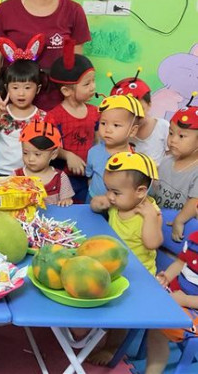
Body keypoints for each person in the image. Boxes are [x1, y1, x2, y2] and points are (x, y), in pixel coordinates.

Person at [89, 151, 162, 365]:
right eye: (108, 189)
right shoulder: (118, 203)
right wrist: (99, 203)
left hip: (139, 275)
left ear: (140, 192)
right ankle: (92, 328)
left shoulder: (151, 212)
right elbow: (95, 204)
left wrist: (150, 218)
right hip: (114, 266)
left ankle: (112, 347)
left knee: (120, 313)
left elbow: (152, 243)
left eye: (116, 192)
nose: (110, 196)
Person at [0, 34, 46, 176]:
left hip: (26, 174)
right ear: (7, 88)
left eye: (27, 88)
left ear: (37, 89)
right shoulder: (2, 112)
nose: (21, 93)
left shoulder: (42, 117)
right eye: (15, 87)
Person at [45, 40, 98, 202]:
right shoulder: (54, 117)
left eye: (93, 81)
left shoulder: (95, 112)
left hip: (89, 177)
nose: (93, 87)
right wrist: (68, 155)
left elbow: (97, 141)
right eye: (87, 83)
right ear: (66, 91)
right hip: (64, 179)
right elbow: (49, 147)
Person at [148, 217, 198, 374]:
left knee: (158, 330)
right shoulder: (194, 238)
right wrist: (167, 277)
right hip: (177, 295)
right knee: (143, 302)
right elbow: (181, 263)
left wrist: (185, 300)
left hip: (192, 309)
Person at [154, 101, 198, 242]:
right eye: (171, 133)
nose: (172, 140)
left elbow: (195, 201)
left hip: (180, 228)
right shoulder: (167, 160)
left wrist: (180, 220)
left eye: (181, 136)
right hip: (157, 222)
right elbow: (155, 187)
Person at [86, 94, 143, 201]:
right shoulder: (93, 152)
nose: (107, 130)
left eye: (116, 125)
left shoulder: (135, 160)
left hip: (119, 205)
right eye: (103, 123)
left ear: (132, 131)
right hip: (92, 199)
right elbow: (89, 175)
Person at [108, 70, 169, 165]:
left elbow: (171, 159)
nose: (135, 115)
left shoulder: (163, 127)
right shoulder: (119, 132)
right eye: (129, 112)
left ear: (149, 105)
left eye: (140, 109)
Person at [15, 120, 74, 206]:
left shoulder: (60, 178)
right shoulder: (16, 176)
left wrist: (66, 201)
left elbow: (67, 200)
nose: (30, 159)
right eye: (25, 153)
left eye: (37, 154)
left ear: (53, 154)